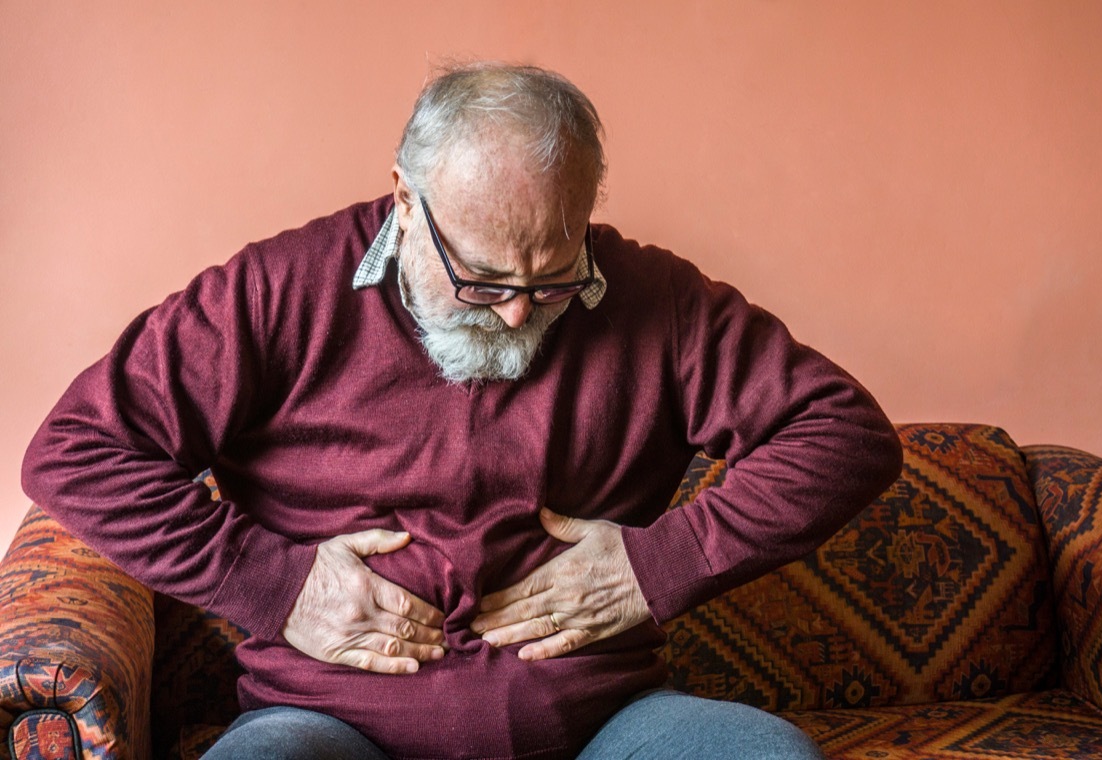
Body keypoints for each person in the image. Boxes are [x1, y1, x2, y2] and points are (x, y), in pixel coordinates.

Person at [21, 63, 902, 759]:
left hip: (607, 725)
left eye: (555, 275)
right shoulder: (277, 293)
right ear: (405, 202)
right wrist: (277, 584)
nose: (519, 311)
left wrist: (660, 562)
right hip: (326, 730)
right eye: (482, 277)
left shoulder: (653, 297)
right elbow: (77, 452)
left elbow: (845, 434)